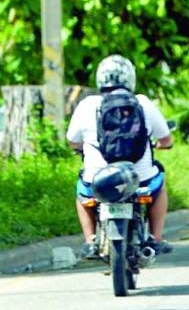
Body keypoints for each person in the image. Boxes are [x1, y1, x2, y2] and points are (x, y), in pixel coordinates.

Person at [67, 54, 174, 258]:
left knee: (82, 194)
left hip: (97, 180)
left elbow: (72, 140)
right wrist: (162, 145)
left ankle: (90, 240)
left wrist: (81, 148)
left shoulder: (87, 105)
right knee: (159, 187)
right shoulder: (142, 102)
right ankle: (156, 238)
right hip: (140, 179)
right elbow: (166, 139)